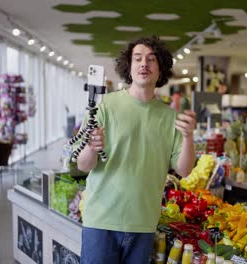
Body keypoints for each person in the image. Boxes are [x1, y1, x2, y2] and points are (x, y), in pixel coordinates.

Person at [76, 36, 196, 264]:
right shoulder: (104, 106)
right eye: (137, 59)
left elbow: (185, 169)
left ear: (160, 71)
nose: (144, 64)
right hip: (101, 221)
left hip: (143, 224)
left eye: (151, 60)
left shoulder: (170, 117)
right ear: (128, 68)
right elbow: (83, 165)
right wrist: (92, 147)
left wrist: (189, 137)